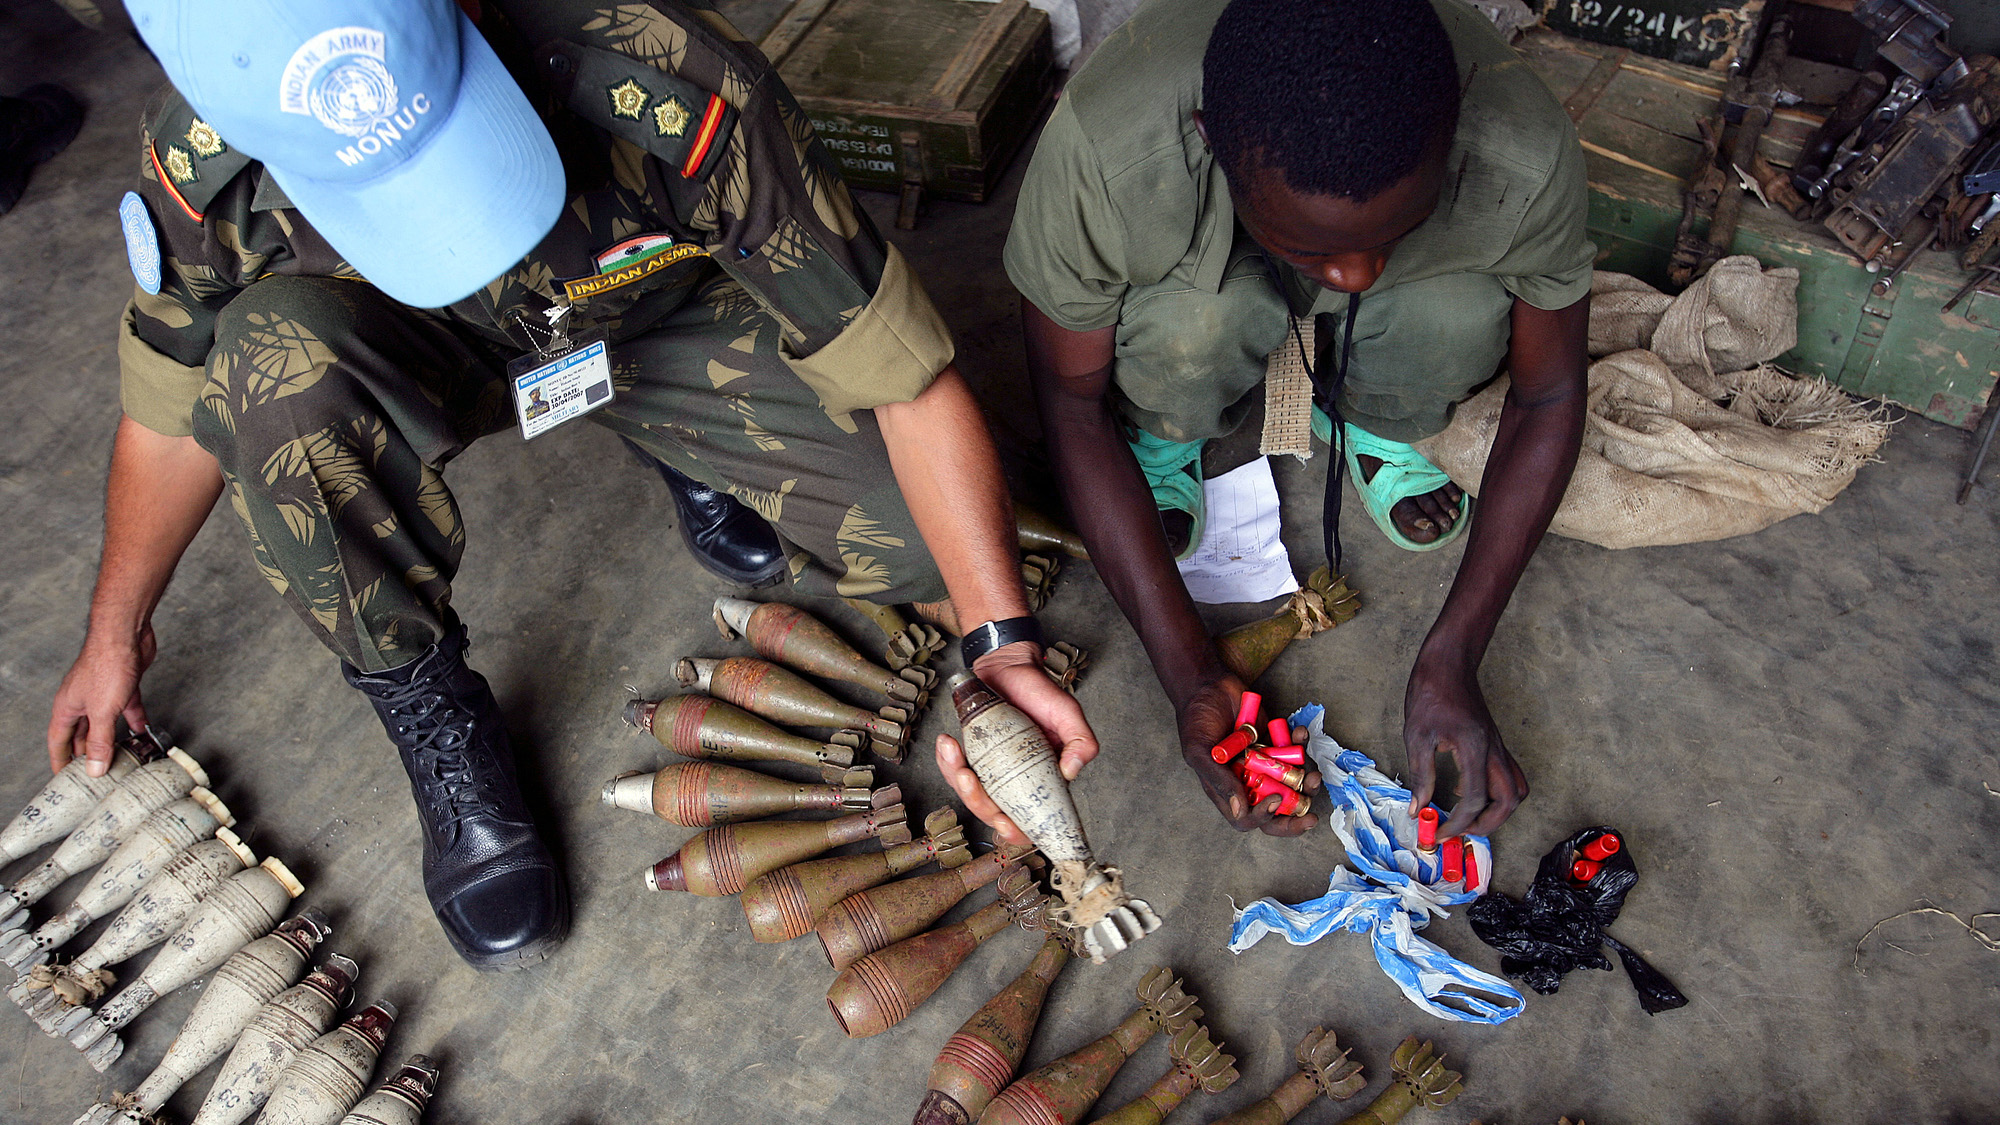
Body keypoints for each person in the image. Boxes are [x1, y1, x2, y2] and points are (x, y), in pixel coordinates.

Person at [48, 0, 1092, 970]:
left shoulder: (664, 78)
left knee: (939, 542)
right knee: (264, 377)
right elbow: (165, 413)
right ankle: (428, 705)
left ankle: (683, 436)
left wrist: (996, 647)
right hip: (423, 355)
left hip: (652, 318)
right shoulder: (207, 162)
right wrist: (113, 632)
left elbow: (904, 379)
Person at [959, 0, 1591, 844]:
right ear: (1208, 138)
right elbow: (1070, 404)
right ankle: (1169, 424)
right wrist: (1189, 672)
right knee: (1189, 333)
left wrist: (1454, 653)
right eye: (1315, 249)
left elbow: (1550, 394)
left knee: (1453, 314)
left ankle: (1378, 412)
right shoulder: (1111, 153)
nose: (1358, 276)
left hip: (1397, 259)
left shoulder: (1523, 146)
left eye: (1396, 229)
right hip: (1193, 282)